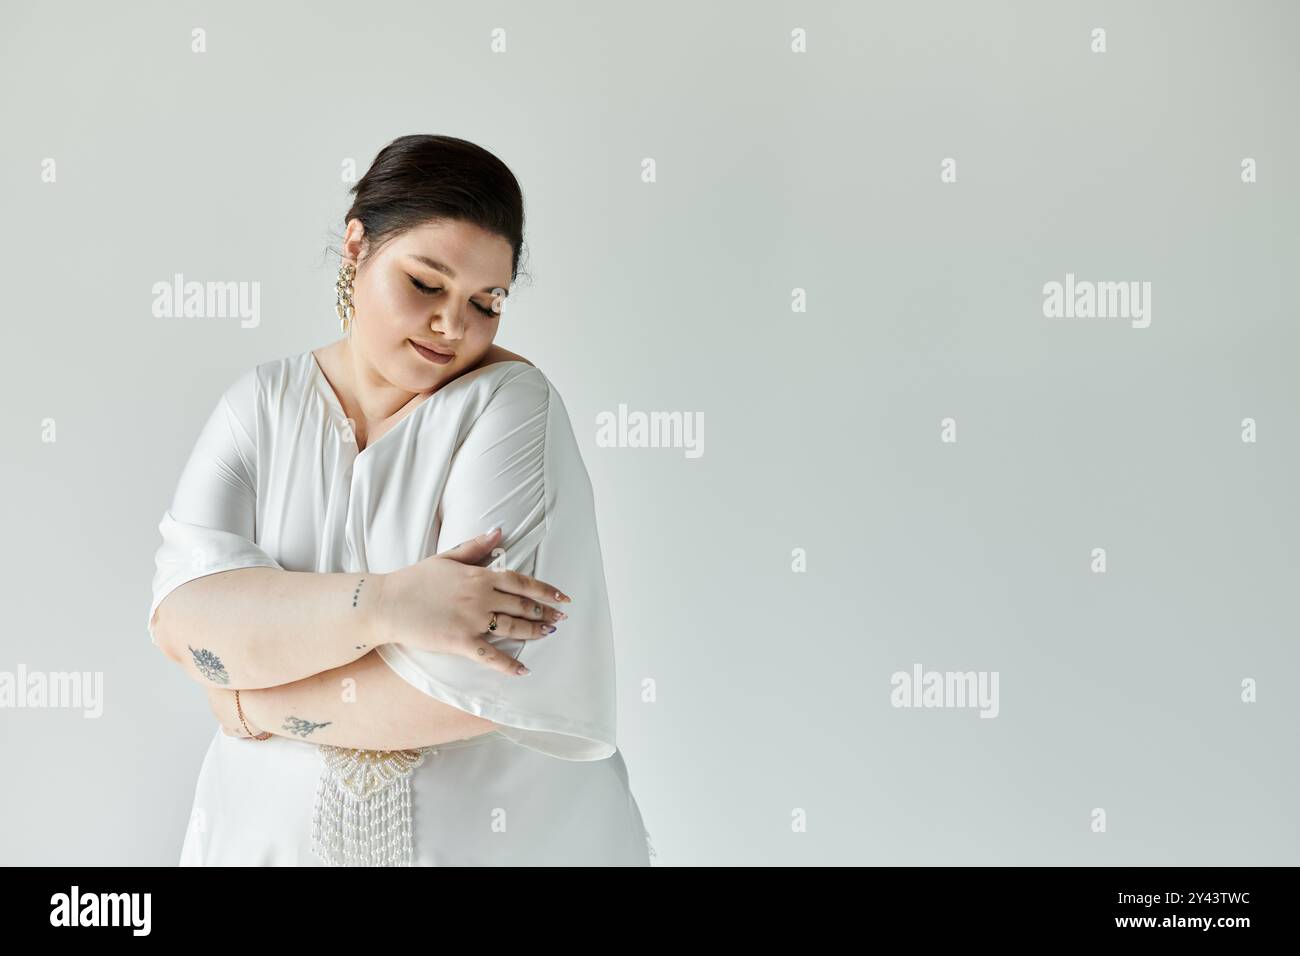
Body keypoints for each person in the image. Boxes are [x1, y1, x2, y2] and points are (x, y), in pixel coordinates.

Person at [147, 134, 653, 866]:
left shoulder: (510, 405)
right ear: (357, 247)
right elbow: (185, 623)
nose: (454, 326)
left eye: (487, 301)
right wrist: (388, 605)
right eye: (426, 284)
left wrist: (250, 701)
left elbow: (477, 684)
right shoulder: (258, 406)